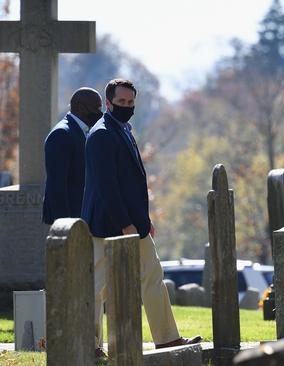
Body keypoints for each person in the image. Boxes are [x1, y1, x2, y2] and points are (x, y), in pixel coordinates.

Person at [82, 79, 201, 356]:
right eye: (121, 102)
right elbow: (106, 186)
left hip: (134, 224)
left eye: (130, 102)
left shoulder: (122, 129)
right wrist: (126, 222)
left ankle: (167, 338)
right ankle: (88, 344)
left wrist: (143, 220)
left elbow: (132, 183)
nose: (127, 106)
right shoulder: (101, 134)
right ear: (108, 103)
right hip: (106, 224)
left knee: (152, 276)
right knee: (96, 288)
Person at [42, 87, 103, 224]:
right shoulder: (62, 134)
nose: (100, 113)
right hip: (69, 219)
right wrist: (64, 224)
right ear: (81, 107)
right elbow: (56, 185)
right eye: (97, 108)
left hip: (81, 217)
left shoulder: (82, 131)